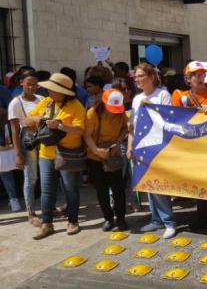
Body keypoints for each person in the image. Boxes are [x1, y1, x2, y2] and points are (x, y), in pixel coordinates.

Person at [26, 73, 86, 239]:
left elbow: (80, 130)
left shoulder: (76, 106)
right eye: (49, 89)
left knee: (70, 189)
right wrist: (43, 119)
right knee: (47, 190)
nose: (49, 92)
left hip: (67, 154)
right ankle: (47, 224)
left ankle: (73, 221)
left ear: (64, 92)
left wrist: (60, 126)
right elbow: (27, 120)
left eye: (53, 89)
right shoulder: (46, 103)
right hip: (46, 153)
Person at [172, 61, 207, 234]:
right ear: (188, 78)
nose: (201, 78)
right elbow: (176, 119)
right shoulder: (179, 96)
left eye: (202, 74)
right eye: (196, 75)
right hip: (192, 147)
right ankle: (202, 219)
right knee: (198, 184)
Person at [127, 63, 177, 239]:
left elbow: (169, 118)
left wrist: (151, 108)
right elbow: (132, 126)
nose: (138, 80)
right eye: (136, 77)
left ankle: (169, 222)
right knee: (148, 184)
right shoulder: (136, 98)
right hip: (143, 146)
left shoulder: (162, 94)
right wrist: (130, 146)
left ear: (151, 77)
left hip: (160, 145)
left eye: (141, 76)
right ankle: (156, 220)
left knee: (159, 185)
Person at [83, 89, 128, 231]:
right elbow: (87, 135)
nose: (113, 111)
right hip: (95, 156)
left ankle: (121, 218)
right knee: (101, 190)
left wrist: (118, 142)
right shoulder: (92, 113)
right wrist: (97, 151)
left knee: (118, 189)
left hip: (113, 154)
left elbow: (125, 129)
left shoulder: (121, 114)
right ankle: (108, 218)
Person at [8, 70, 43, 224]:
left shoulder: (42, 99)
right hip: (28, 139)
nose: (32, 87)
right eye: (28, 84)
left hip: (44, 138)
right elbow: (15, 130)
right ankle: (31, 212)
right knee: (31, 177)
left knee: (47, 175)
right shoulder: (16, 103)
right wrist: (18, 153)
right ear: (21, 83)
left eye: (35, 84)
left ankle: (48, 207)